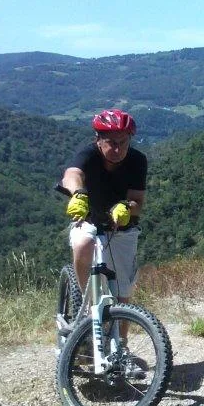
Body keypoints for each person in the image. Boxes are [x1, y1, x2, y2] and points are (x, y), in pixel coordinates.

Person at [61, 109, 147, 303]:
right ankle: (86, 302)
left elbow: (138, 201)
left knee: (122, 294)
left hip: (121, 227)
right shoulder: (88, 155)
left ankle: (121, 335)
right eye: (111, 143)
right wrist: (78, 194)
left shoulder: (137, 160)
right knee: (83, 244)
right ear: (98, 139)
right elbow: (72, 175)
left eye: (123, 142)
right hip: (89, 218)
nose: (118, 149)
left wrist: (126, 208)